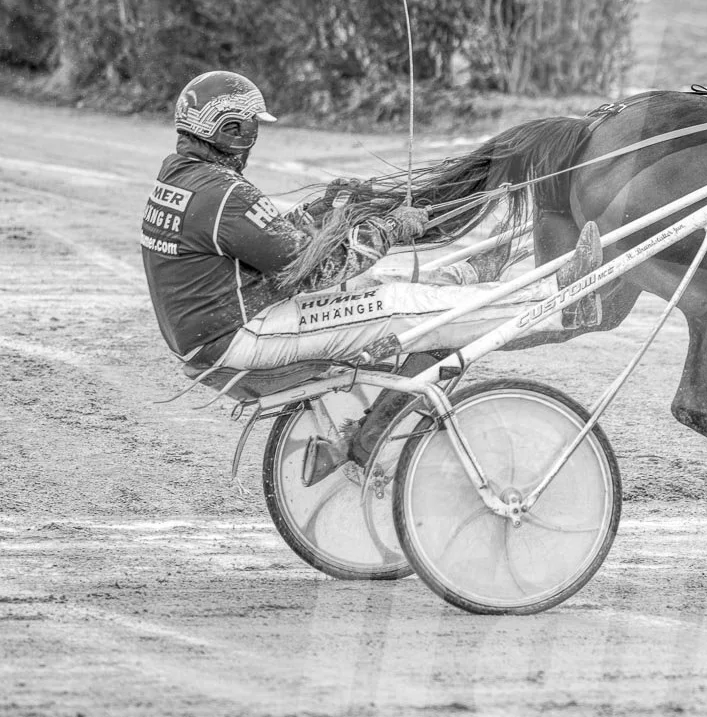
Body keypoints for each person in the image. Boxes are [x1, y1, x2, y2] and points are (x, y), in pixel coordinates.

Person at [141, 71, 602, 473]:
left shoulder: (185, 178)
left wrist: (321, 210)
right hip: (241, 337)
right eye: (252, 129)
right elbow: (316, 272)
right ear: (232, 129)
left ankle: (466, 281)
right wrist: (388, 229)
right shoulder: (223, 194)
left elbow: (268, 246)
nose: (254, 140)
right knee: (394, 306)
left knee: (382, 289)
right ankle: (560, 304)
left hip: (221, 331)